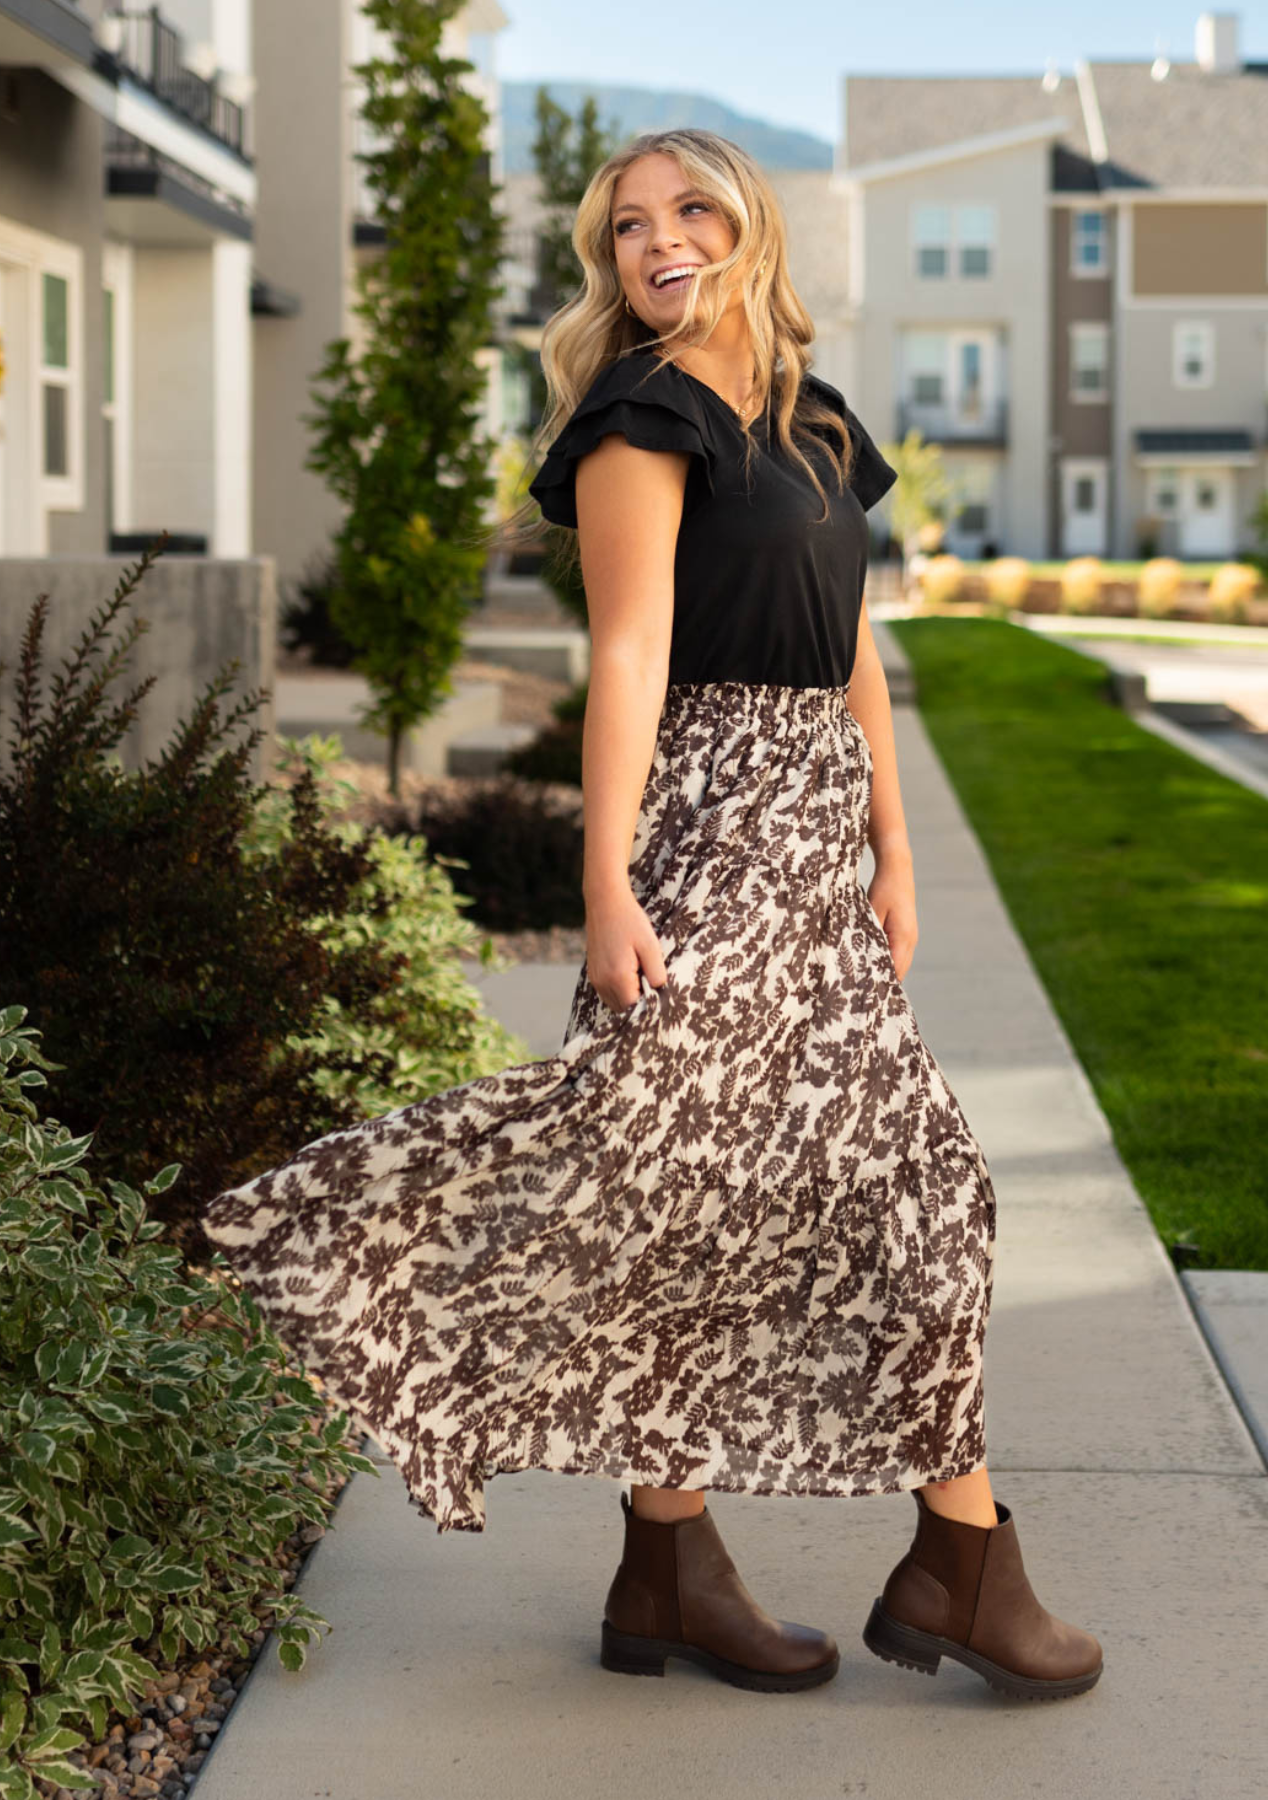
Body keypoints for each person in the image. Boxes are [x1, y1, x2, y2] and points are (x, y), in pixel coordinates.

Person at [202, 127, 1102, 1704]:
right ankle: (942, 1562)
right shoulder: (640, 418)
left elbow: (852, 654)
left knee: (831, 1192)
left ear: (752, 227)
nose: (657, 242)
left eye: (689, 211)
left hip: (814, 839)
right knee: (785, 1184)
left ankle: (677, 1573)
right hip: (709, 834)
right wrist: (604, 880)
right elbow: (626, 659)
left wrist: (892, 843)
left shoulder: (814, 424)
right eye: (627, 227)